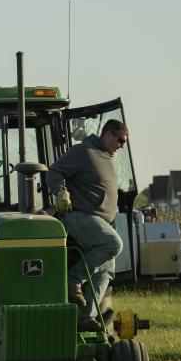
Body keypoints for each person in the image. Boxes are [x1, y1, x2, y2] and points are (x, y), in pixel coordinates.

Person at [46, 119, 128, 330]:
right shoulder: (83, 151)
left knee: (106, 270)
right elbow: (54, 171)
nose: (122, 145)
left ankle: (85, 318)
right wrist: (60, 191)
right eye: (120, 140)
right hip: (78, 216)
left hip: (100, 220)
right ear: (107, 134)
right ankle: (73, 279)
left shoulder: (107, 157)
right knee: (113, 245)